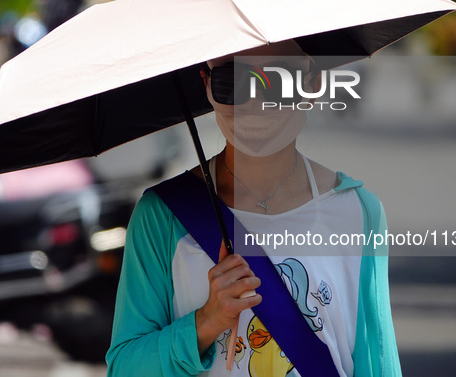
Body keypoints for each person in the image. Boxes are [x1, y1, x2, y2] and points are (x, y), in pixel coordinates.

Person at [106, 40, 401, 376]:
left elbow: (376, 360)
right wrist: (206, 322)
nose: (256, 101)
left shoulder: (358, 213)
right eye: (231, 82)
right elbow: (124, 369)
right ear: (206, 85)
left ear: (313, 83)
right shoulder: (161, 216)